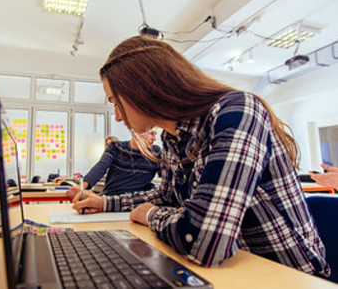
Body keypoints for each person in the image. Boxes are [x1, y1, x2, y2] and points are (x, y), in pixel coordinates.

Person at [71, 35, 330, 277]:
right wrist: (105, 203)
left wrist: (151, 215)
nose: (117, 115)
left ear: (144, 88)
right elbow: (168, 196)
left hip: (288, 275)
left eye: (116, 101)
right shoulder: (172, 138)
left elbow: (203, 241)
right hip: (232, 268)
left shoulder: (237, 111)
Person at [67, 130, 161, 198]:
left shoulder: (156, 152)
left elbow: (167, 177)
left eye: (155, 134)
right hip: (110, 199)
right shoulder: (116, 147)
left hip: (136, 202)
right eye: (151, 133)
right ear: (137, 130)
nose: (154, 138)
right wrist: (82, 186)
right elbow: (101, 166)